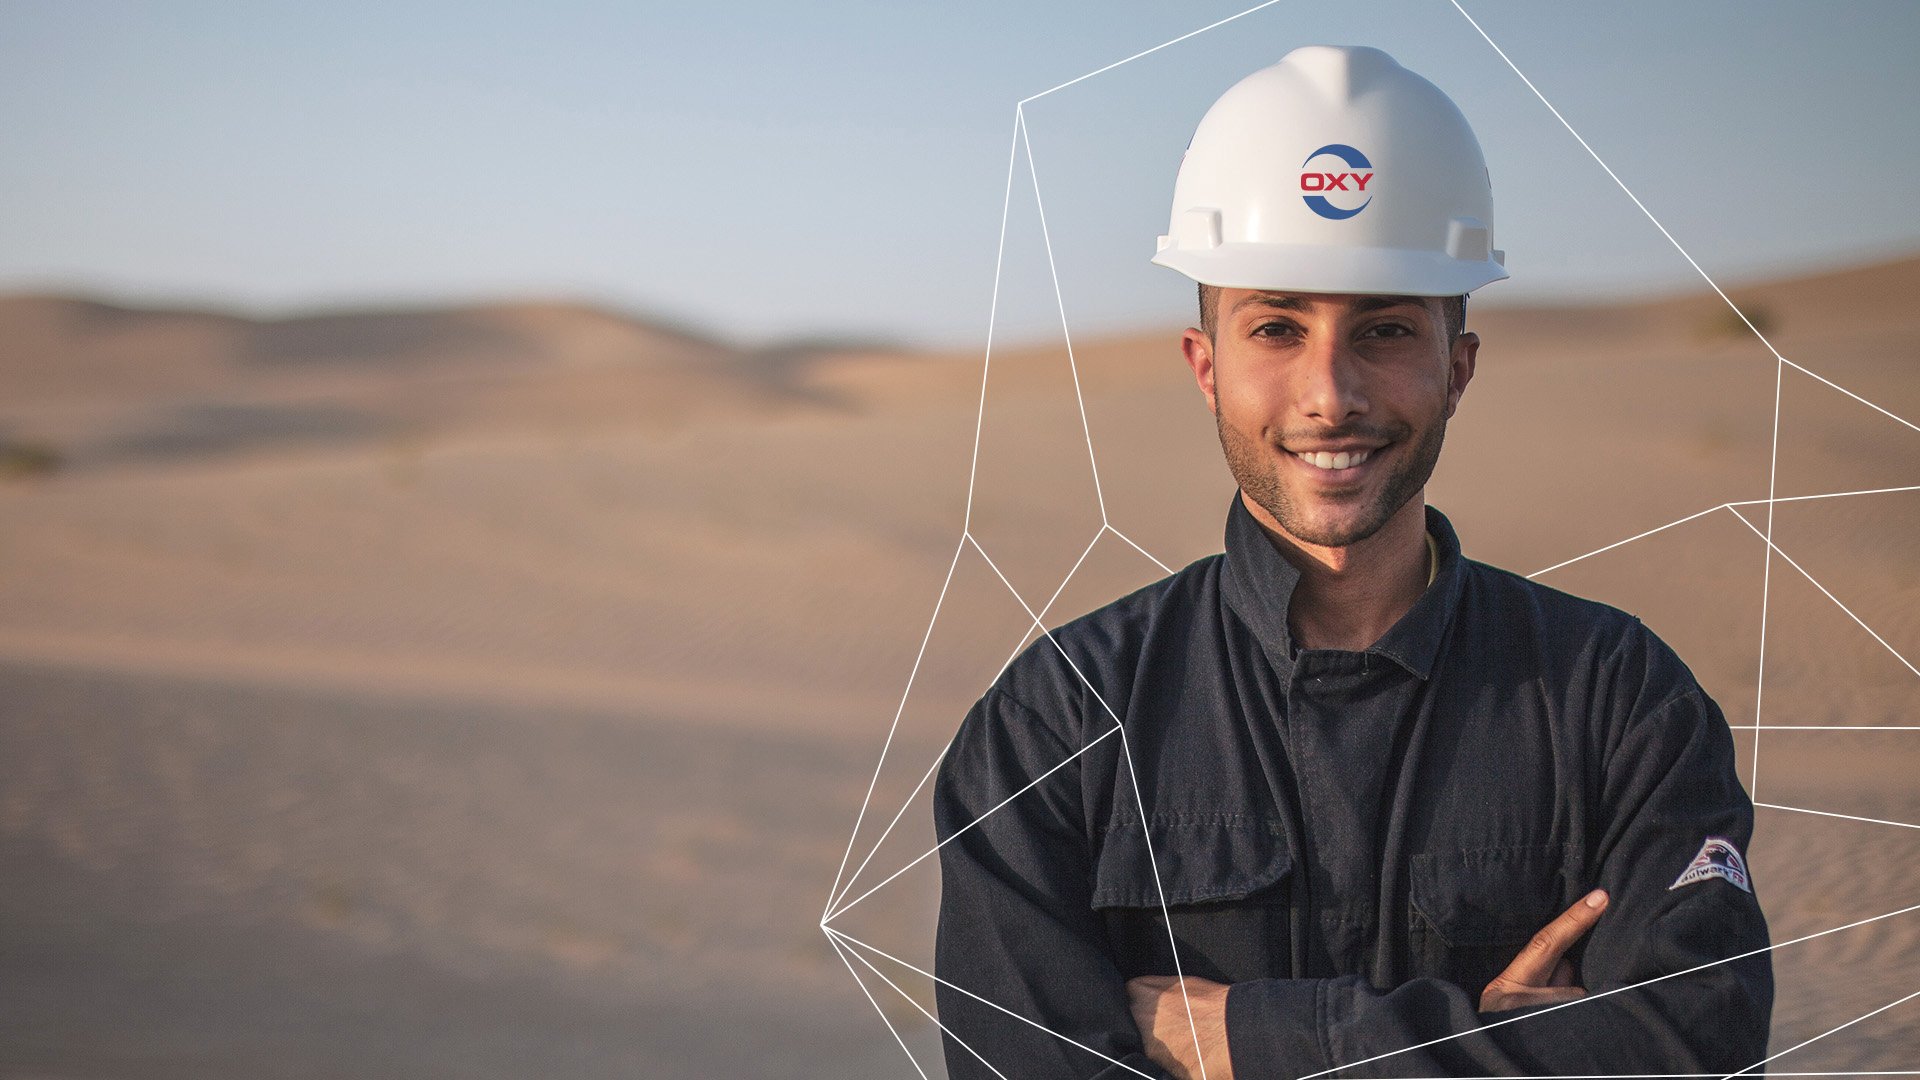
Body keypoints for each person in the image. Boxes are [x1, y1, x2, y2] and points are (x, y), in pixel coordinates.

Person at [931, 45, 1773, 1079]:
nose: (1331, 394)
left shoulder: (1621, 704)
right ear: (1207, 366)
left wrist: (1251, 1037)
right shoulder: (1054, 725)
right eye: (1277, 327)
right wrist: (1493, 1038)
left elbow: (1695, 1048)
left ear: (1457, 368)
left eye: (1383, 329)